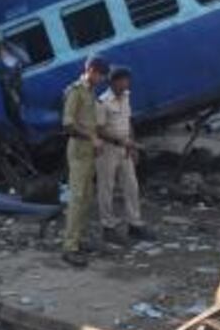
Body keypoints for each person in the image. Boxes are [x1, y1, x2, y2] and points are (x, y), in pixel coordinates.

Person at [96, 67, 155, 245]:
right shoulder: (103, 102)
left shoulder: (126, 96)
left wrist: (132, 144)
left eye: (127, 80)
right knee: (106, 188)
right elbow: (99, 130)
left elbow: (128, 121)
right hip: (107, 150)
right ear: (113, 82)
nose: (126, 84)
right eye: (122, 80)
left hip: (125, 148)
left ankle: (134, 223)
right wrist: (122, 142)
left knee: (131, 186)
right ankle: (108, 227)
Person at [60, 55, 109, 267]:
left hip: (89, 150)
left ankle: (79, 239)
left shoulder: (90, 92)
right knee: (77, 198)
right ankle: (69, 247)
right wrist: (92, 138)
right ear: (90, 70)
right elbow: (68, 124)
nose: (100, 79)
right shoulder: (76, 91)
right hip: (79, 149)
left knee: (87, 197)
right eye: (98, 74)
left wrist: (96, 140)